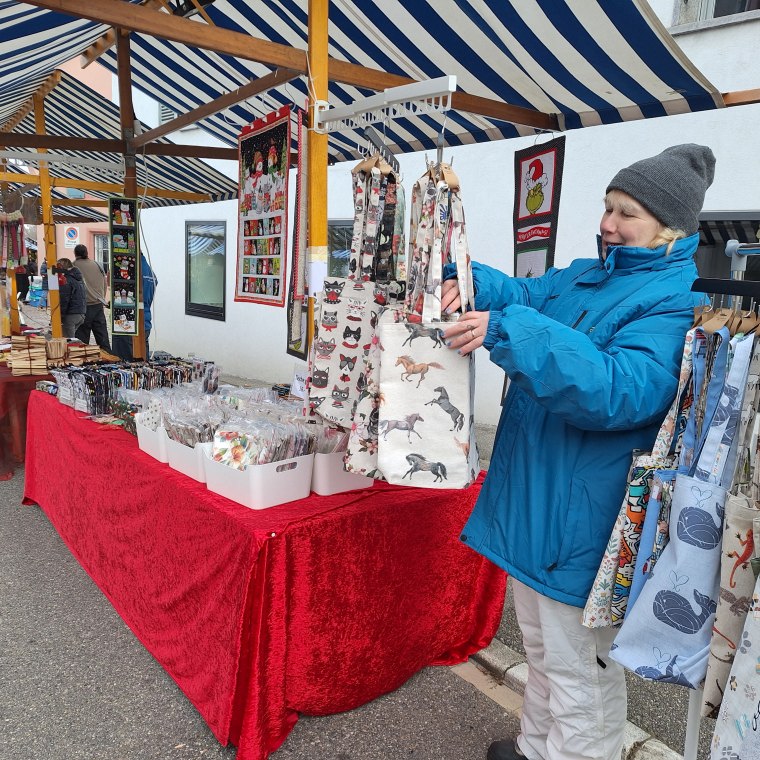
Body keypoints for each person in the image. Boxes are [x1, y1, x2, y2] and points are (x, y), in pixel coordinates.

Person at [441, 144, 715, 760]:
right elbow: (524, 293)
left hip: (583, 518)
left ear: (670, 229)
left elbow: (621, 390)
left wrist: (511, 331)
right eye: (607, 207)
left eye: (627, 214)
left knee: (580, 673)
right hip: (537, 500)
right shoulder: (588, 274)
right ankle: (536, 747)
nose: (608, 224)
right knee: (543, 652)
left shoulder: (675, 300)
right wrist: (463, 273)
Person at [112, 253, 157, 361]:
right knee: (143, 361)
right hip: (145, 321)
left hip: (129, 323)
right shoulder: (150, 272)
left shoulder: (132, 269)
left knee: (125, 363)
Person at [72, 243, 111, 353]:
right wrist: (101, 297)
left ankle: (84, 361)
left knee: (82, 341)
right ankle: (109, 358)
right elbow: (104, 283)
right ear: (86, 253)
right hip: (98, 305)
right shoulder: (97, 264)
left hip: (84, 307)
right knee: (103, 339)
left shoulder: (73, 266)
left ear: (75, 254)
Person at [55, 258, 86, 338]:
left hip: (71, 315)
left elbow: (64, 299)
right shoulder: (78, 278)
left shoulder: (66, 280)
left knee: (68, 341)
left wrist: (60, 316)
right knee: (71, 339)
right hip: (81, 312)